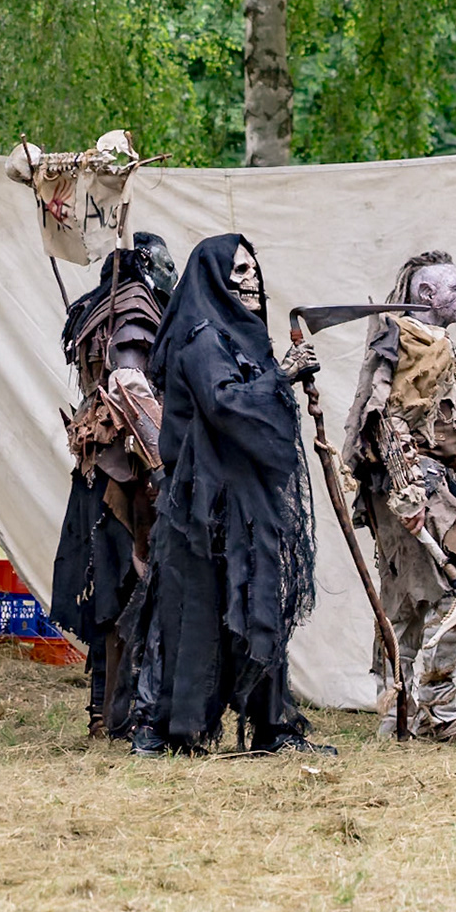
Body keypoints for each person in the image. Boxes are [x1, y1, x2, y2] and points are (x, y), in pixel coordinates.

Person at [125, 234, 333, 756]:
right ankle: (161, 726)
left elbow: (255, 406)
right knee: (189, 609)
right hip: (201, 504)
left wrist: (279, 376)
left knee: (257, 603)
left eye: (254, 270)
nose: (251, 280)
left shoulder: (242, 338)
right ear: (213, 279)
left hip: (246, 501)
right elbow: (223, 405)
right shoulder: (200, 339)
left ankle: (273, 727)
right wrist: (281, 376)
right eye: (237, 272)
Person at [343, 251, 456, 743]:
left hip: (421, 482)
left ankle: (400, 718)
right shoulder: (398, 334)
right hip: (412, 484)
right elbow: (379, 413)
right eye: (454, 288)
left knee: (409, 603)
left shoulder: (427, 338)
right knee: (453, 594)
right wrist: (409, 488)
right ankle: (438, 714)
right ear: (426, 295)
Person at [52, 233, 176, 737]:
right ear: (146, 263)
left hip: (103, 469)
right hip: (127, 474)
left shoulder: (99, 306)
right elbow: (130, 386)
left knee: (116, 584)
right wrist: (164, 465)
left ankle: (109, 712)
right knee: (129, 585)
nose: (174, 272)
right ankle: (120, 714)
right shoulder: (134, 309)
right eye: (166, 262)